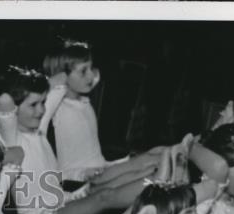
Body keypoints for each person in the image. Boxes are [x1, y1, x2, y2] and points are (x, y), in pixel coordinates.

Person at [0, 64, 178, 214]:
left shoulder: (39, 128)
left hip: (65, 199)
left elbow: (62, 79)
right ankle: (159, 185)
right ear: (15, 109)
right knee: (104, 197)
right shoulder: (12, 139)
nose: (41, 110)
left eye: (43, 103)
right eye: (33, 105)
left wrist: (37, 85)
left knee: (106, 185)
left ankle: (158, 178)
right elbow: (3, 101)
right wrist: (21, 81)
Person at [41, 38, 166, 184]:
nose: (90, 75)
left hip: (100, 168)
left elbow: (96, 75)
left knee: (152, 157)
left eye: (90, 68)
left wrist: (81, 68)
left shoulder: (83, 101)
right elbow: (44, 112)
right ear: (62, 76)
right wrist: (57, 83)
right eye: (83, 71)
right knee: (144, 169)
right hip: (77, 177)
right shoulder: (60, 107)